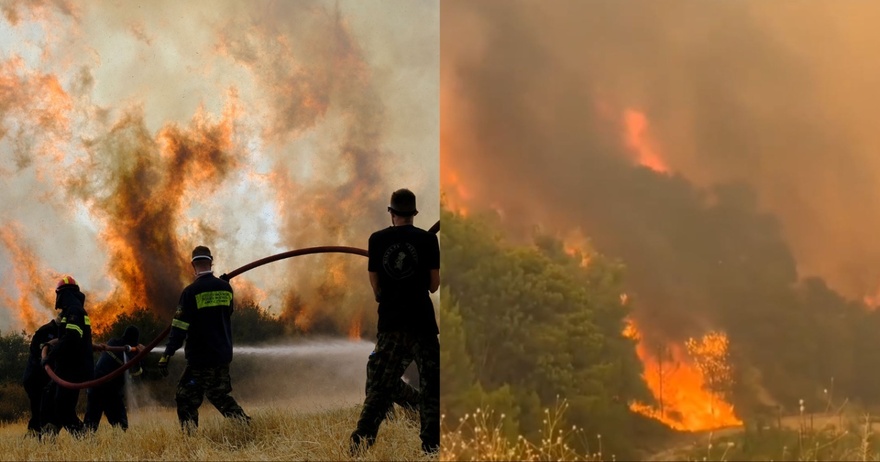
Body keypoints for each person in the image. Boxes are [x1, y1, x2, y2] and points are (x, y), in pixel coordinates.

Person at [350, 188, 440, 455]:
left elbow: (375, 286)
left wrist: (388, 294)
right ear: (414, 213)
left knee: (380, 386)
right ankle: (431, 447)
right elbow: (434, 285)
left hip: (390, 323)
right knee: (432, 385)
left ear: (391, 213)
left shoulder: (377, 240)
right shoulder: (427, 241)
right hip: (422, 324)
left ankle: (361, 442)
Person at [158, 245, 250, 433]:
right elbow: (227, 313)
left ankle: (190, 439)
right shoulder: (226, 288)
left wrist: (167, 353)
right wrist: (221, 284)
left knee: (185, 397)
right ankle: (244, 426)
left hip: (201, 358)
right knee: (219, 395)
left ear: (193, 265)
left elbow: (179, 328)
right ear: (211, 261)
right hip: (223, 355)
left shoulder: (190, 292)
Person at [40, 275, 94, 439]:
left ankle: (84, 438)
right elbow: (68, 338)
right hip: (66, 368)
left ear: (65, 294)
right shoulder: (71, 311)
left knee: (63, 408)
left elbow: (71, 338)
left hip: (73, 370)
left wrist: (49, 357)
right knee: (50, 398)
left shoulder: (75, 311)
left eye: (60, 294)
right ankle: (47, 437)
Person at [84, 325, 144, 432]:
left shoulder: (112, 342)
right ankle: (119, 445)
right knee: (121, 426)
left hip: (94, 386)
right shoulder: (128, 354)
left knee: (90, 425)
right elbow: (136, 373)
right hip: (110, 391)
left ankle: (86, 444)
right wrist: (140, 355)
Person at [21, 318, 58, 437]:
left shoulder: (59, 331)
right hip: (35, 378)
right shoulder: (45, 331)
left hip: (44, 378)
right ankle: (38, 438)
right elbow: (39, 352)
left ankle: (35, 438)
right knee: (40, 409)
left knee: (41, 411)